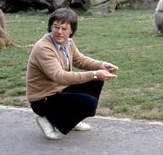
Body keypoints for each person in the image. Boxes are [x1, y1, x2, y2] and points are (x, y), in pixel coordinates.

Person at [26, 7, 118, 140]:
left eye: (64, 29)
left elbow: (80, 60)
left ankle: (71, 120)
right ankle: (46, 119)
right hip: (43, 100)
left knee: (96, 81)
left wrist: (100, 65)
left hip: (58, 92)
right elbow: (59, 76)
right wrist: (95, 73)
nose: (59, 32)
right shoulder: (43, 48)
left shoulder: (68, 43)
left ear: (71, 31)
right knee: (90, 103)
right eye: (56, 27)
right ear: (50, 27)